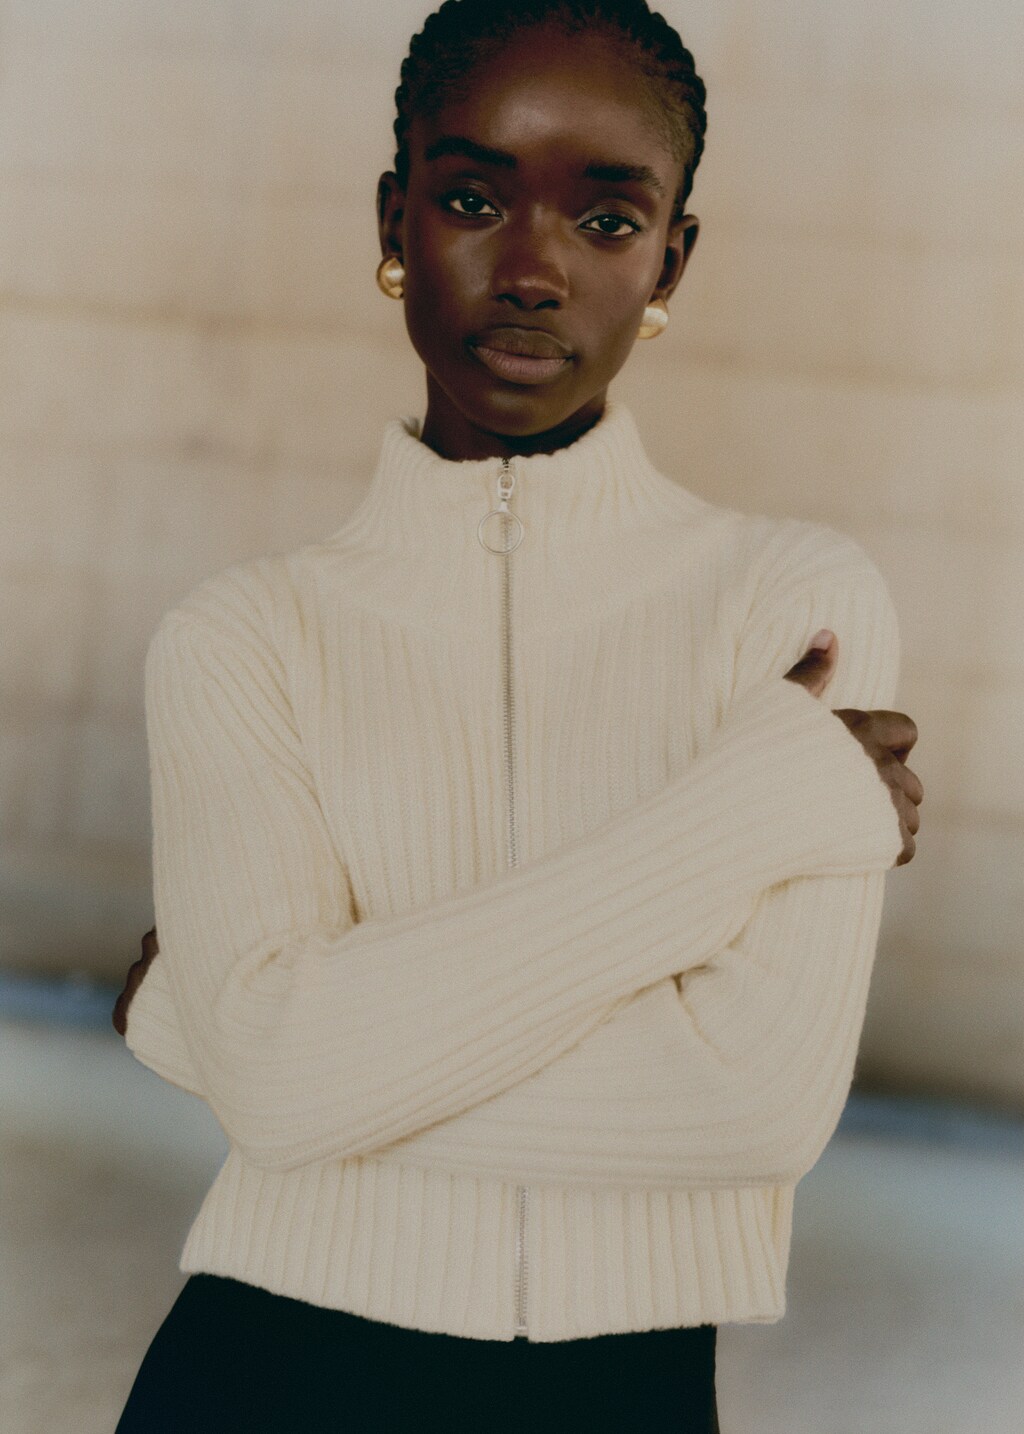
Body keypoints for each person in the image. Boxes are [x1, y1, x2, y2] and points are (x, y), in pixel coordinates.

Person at [111, 1, 923, 1429]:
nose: (536, 270)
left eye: (607, 221)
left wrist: (219, 1035)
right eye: (475, 200)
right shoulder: (243, 636)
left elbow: (752, 1108)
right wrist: (741, 816)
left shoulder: (796, 607)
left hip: (624, 1393)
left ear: (671, 260)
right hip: (260, 1375)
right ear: (396, 220)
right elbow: (284, 1089)